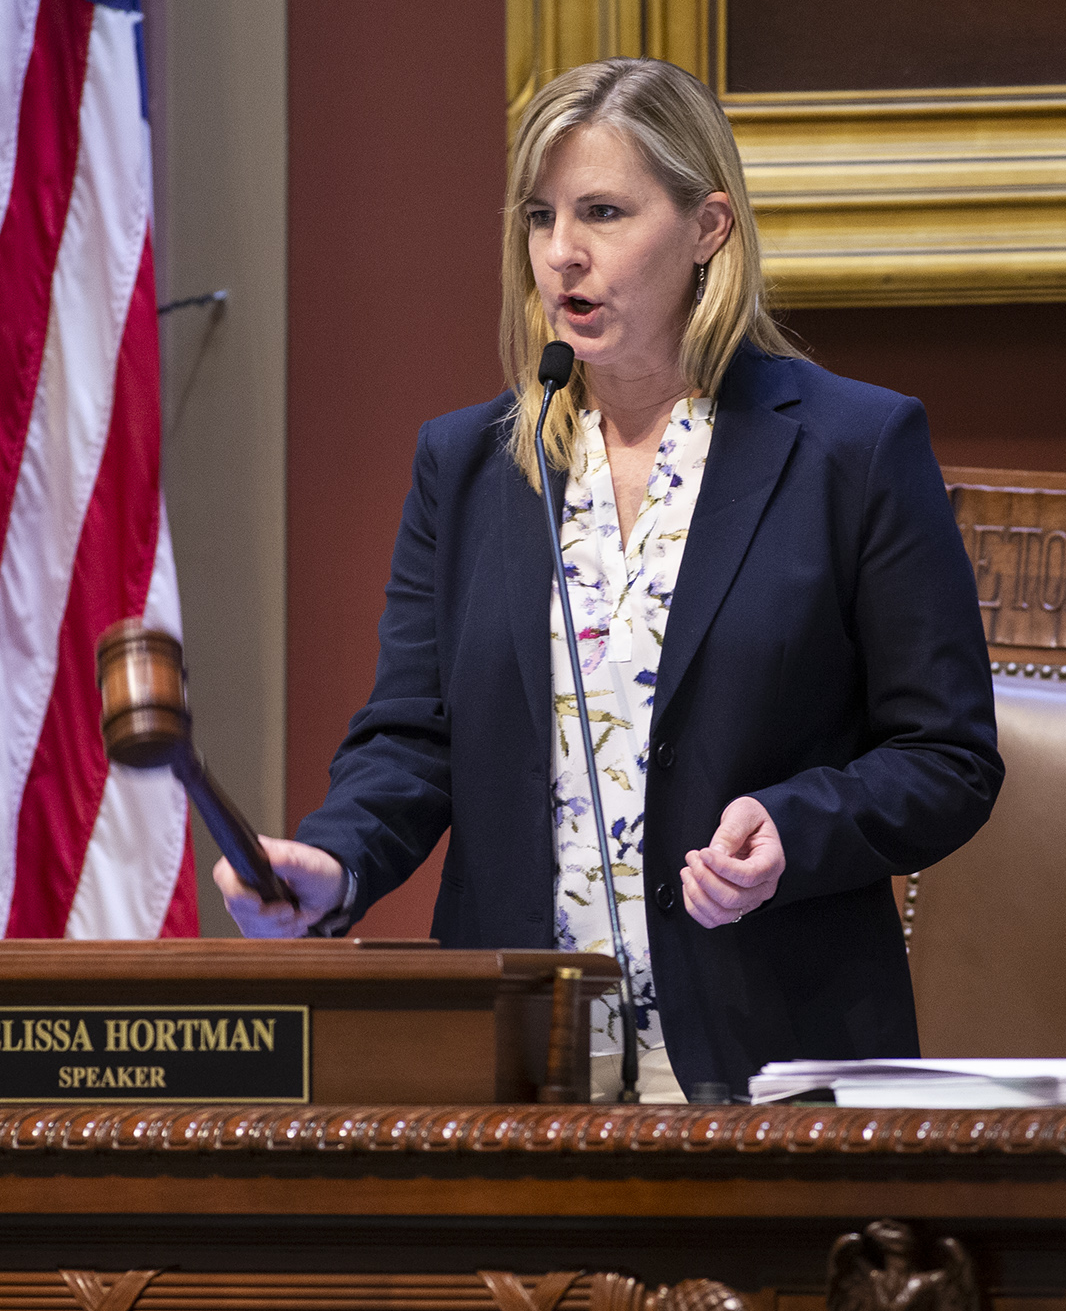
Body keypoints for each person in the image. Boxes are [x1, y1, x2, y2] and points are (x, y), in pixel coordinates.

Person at [214, 57, 1003, 1102]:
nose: (561, 254)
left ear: (707, 227)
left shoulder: (851, 448)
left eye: (602, 212)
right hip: (520, 1068)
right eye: (540, 218)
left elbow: (945, 755)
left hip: (770, 1055)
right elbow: (414, 737)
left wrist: (795, 829)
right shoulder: (470, 465)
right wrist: (337, 862)